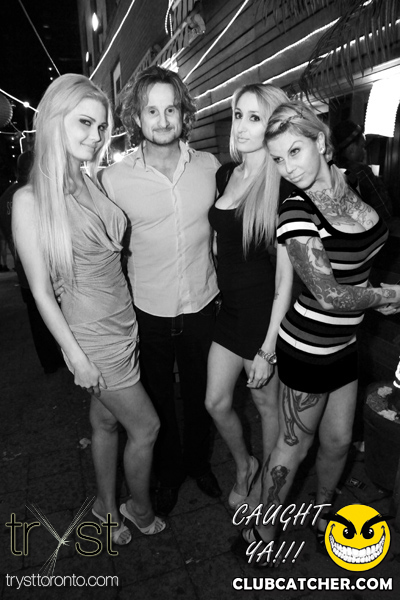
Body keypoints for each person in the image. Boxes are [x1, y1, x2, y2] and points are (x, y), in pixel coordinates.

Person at [233, 99, 399, 565]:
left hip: (346, 343)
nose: (288, 168)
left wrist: (374, 292)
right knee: (294, 444)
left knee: (339, 441)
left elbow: (365, 252)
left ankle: (323, 510)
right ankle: (262, 526)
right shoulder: (295, 210)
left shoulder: (355, 187)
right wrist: (387, 296)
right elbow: (326, 294)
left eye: (294, 152)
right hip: (309, 347)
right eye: (278, 159)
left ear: (321, 143)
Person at [12, 74, 165, 545]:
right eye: (84, 122)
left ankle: (104, 506)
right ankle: (140, 510)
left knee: (105, 421)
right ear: (54, 119)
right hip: (93, 338)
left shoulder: (90, 178)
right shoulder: (30, 200)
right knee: (147, 427)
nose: (95, 136)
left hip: (122, 322)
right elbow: (41, 292)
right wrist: (76, 357)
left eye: (101, 127)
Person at [98, 66, 222, 516]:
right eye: (152, 111)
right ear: (137, 117)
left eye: (171, 109)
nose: (163, 119)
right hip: (146, 309)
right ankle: (168, 473)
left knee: (202, 395)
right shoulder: (114, 180)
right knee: (157, 400)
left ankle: (199, 463)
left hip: (202, 303)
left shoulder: (209, 168)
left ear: (183, 114)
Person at [205, 84, 293, 512]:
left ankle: (268, 494)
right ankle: (246, 465)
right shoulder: (226, 174)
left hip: (263, 314)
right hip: (229, 309)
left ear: (272, 125)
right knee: (215, 402)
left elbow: (285, 276)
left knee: (266, 405)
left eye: (254, 118)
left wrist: (268, 347)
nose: (240, 126)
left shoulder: (283, 187)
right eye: (238, 114)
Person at [0, 151, 65, 373]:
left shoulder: (4, 197)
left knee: (36, 319)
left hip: (23, 271)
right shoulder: (34, 194)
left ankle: (49, 361)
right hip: (48, 268)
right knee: (58, 311)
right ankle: (67, 355)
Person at [332, 120, 392, 226]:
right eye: (362, 146)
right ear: (351, 149)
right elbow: (385, 212)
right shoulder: (360, 171)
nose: (364, 151)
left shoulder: (332, 170)